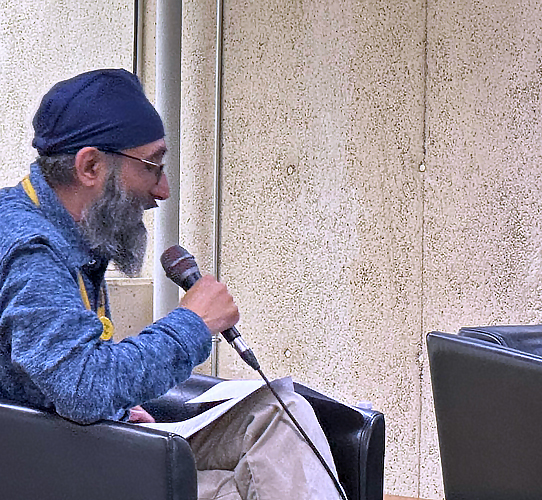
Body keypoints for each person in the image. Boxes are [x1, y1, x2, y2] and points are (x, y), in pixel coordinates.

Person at [0, 69, 342, 500]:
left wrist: (119, 408)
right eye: (152, 166)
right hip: (49, 466)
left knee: (277, 414)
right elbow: (81, 385)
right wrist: (192, 324)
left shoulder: (67, 228)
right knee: (240, 489)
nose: (161, 190)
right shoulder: (31, 251)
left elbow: (57, 368)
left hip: (85, 441)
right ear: (90, 166)